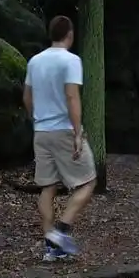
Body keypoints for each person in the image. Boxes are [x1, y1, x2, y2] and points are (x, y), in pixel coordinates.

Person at [23, 15, 97, 262]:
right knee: (88, 182)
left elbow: (27, 98)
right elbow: (72, 97)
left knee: (47, 187)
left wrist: (36, 121)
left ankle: (50, 247)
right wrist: (77, 133)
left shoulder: (35, 61)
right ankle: (62, 231)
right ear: (70, 34)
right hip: (64, 129)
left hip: (41, 131)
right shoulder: (71, 60)